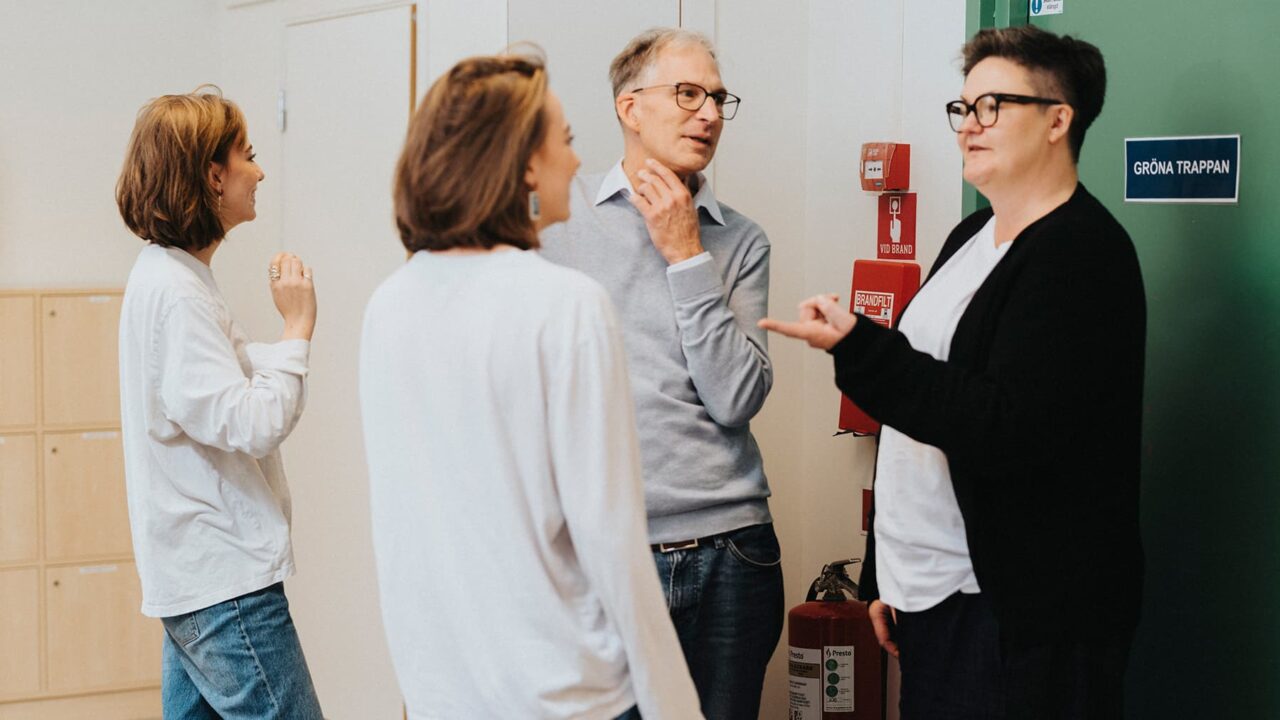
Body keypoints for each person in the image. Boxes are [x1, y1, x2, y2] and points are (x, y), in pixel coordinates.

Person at [762, 26, 1145, 719]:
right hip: (930, 599)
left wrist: (859, 347)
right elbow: (912, 430)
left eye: (992, 106)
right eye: (963, 108)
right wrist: (884, 573)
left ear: (1058, 120)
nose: (969, 125)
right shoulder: (971, 236)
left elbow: (1002, 424)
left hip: (1014, 615)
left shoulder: (1084, 253)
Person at [359, 52, 702, 720]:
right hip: (568, 694)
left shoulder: (389, 303)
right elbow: (611, 537)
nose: (577, 162)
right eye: (564, 140)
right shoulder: (566, 304)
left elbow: (403, 523)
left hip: (442, 691)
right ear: (522, 167)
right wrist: (676, 706)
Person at [539, 28, 782, 719]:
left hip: (734, 552)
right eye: (687, 94)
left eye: (718, 99)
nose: (709, 113)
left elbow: (736, 398)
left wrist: (686, 255)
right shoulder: (556, 222)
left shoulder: (740, 239)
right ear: (630, 107)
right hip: (606, 550)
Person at [116, 87, 323, 719]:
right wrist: (298, 326)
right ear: (212, 176)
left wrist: (280, 350)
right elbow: (252, 423)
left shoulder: (171, 275)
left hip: (199, 580)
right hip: (224, 585)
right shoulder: (178, 293)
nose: (259, 173)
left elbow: (219, 380)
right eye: (248, 157)